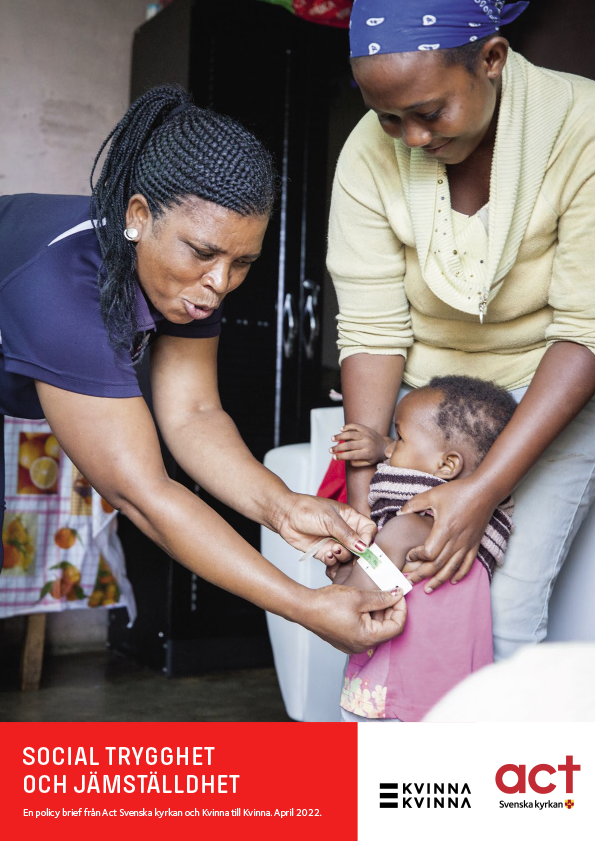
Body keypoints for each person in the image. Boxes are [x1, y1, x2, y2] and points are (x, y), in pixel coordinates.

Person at [0, 85, 407, 655]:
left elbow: (194, 414)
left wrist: (283, 507)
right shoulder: (61, 289)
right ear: (138, 216)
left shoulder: (181, 279)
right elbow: (142, 493)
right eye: (204, 253)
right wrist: (303, 605)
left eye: (242, 262)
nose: (220, 284)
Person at [327, 0, 595, 660]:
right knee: (390, 589)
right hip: (427, 407)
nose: (410, 137)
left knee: (496, 609)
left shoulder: (581, 127)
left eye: (428, 112)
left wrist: (481, 490)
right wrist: (365, 482)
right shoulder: (368, 151)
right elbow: (371, 324)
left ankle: (489, 766)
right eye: (389, 117)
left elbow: (585, 326)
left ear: (491, 59)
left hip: (550, 388)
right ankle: (403, 765)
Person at [332, 376, 515, 721]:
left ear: (447, 466)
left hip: (392, 698)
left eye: (399, 438)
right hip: (455, 696)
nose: (387, 450)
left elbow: (350, 601)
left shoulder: (405, 528)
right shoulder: (476, 533)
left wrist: (343, 566)